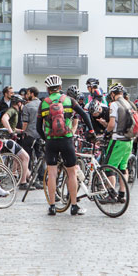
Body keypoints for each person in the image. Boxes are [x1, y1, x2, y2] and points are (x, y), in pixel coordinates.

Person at [37, 75, 95, 216]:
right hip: (67, 140)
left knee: (52, 174)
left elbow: (38, 127)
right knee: (71, 173)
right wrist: (91, 130)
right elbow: (84, 115)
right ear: (60, 87)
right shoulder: (69, 100)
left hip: (51, 141)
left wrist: (47, 139)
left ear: (47, 88)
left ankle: (52, 206)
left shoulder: (43, 103)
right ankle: (74, 206)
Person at [104, 83, 135, 201]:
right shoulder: (129, 104)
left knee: (108, 168)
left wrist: (106, 132)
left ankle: (111, 195)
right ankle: (122, 195)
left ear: (112, 94)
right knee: (123, 167)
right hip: (129, 140)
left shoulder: (114, 105)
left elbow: (111, 124)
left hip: (118, 140)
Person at [0, 94, 34, 189]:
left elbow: (12, 127)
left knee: (18, 159)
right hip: (7, 140)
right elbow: (4, 119)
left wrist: (21, 131)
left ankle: (28, 178)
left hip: (6, 140)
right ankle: (23, 182)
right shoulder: (12, 110)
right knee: (25, 157)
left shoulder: (14, 111)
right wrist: (11, 133)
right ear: (19, 103)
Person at [21, 86, 44, 189]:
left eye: (27, 93)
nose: (26, 95)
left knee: (27, 157)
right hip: (40, 135)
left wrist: (22, 132)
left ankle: (28, 179)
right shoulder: (42, 104)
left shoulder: (27, 106)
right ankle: (42, 179)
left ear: (31, 93)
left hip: (29, 135)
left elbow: (25, 122)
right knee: (40, 157)